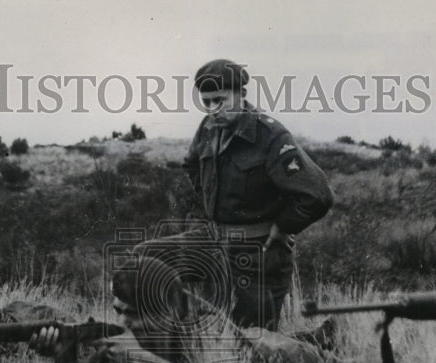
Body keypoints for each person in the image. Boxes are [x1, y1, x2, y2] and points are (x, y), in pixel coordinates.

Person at [135, 59, 334, 332]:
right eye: (206, 102)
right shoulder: (209, 127)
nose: (212, 110)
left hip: (257, 253)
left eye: (219, 100)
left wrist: (282, 227)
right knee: (145, 261)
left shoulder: (270, 135)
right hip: (213, 240)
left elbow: (318, 196)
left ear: (241, 94)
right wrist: (214, 202)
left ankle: (316, 342)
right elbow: (192, 165)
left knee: (251, 345)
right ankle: (180, 336)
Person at [29, 255, 331, 363]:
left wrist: (139, 360)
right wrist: (60, 355)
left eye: (133, 313)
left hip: (288, 358)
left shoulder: (205, 328)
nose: (124, 321)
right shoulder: (142, 329)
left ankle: (321, 338)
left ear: (165, 311)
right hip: (248, 337)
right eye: (118, 310)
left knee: (315, 354)